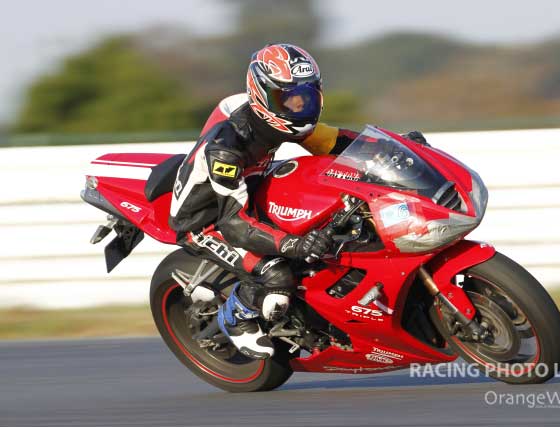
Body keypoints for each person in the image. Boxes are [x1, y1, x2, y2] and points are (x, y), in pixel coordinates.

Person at [169, 43, 428, 359]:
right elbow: (234, 224)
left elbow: (336, 143)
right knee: (278, 273)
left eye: (307, 96)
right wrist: (294, 245)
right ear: (262, 97)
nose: (300, 105)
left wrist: (394, 148)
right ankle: (236, 315)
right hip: (208, 221)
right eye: (289, 98)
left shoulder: (281, 117)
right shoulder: (226, 152)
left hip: (250, 186)